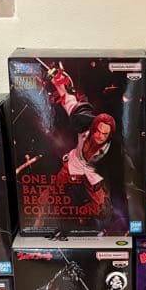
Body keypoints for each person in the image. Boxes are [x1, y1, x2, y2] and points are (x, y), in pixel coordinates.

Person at [34, 64, 117, 228]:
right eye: (97, 131)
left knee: (104, 211)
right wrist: (59, 84)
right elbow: (69, 102)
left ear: (109, 136)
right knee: (47, 197)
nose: (99, 136)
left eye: (104, 134)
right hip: (72, 165)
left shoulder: (112, 151)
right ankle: (38, 223)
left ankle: (76, 216)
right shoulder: (85, 127)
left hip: (93, 175)